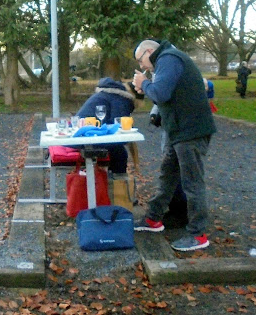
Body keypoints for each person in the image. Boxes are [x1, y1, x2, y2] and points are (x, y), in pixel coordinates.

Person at [132, 39, 216, 251]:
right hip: (178, 130)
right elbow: (164, 95)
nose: (142, 66)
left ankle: (198, 235)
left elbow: (161, 94)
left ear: (149, 51)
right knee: (167, 176)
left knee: (192, 183)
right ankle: (153, 219)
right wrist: (147, 87)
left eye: (140, 60)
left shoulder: (169, 58)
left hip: (191, 131)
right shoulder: (166, 60)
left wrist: (144, 83)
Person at [76, 77, 138, 174]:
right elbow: (117, 125)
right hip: (88, 135)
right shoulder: (122, 100)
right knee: (120, 153)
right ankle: (116, 182)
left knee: (117, 150)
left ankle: (112, 179)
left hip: (81, 131)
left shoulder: (108, 94)